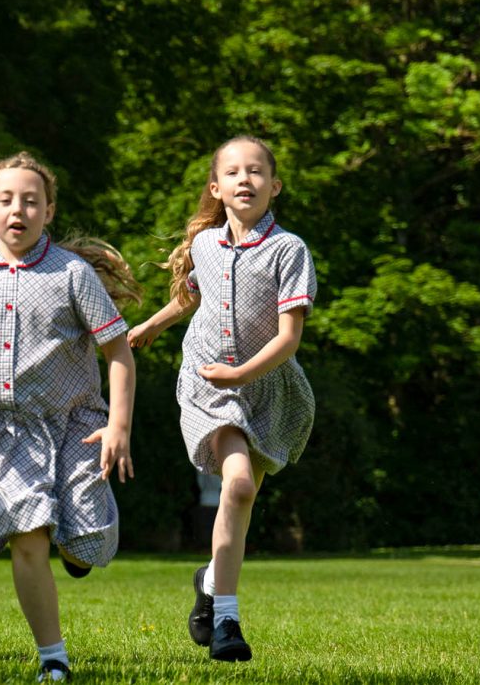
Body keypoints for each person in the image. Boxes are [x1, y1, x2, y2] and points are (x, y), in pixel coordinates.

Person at [0, 152, 139, 682]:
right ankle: (54, 658)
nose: (17, 209)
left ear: (48, 211)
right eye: (6, 200)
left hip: (75, 426)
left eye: (31, 200)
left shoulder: (71, 274)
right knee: (28, 538)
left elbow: (119, 352)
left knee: (89, 543)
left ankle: (76, 545)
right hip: (9, 431)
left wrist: (119, 425)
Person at [127, 136, 316, 663]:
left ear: (274, 185)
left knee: (241, 498)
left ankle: (210, 580)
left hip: (266, 387)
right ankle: (228, 623)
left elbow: (289, 338)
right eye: (233, 172)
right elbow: (190, 294)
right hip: (210, 385)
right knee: (234, 484)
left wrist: (244, 373)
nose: (245, 179)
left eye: (256, 171)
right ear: (217, 188)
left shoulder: (288, 250)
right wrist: (151, 325)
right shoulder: (206, 246)